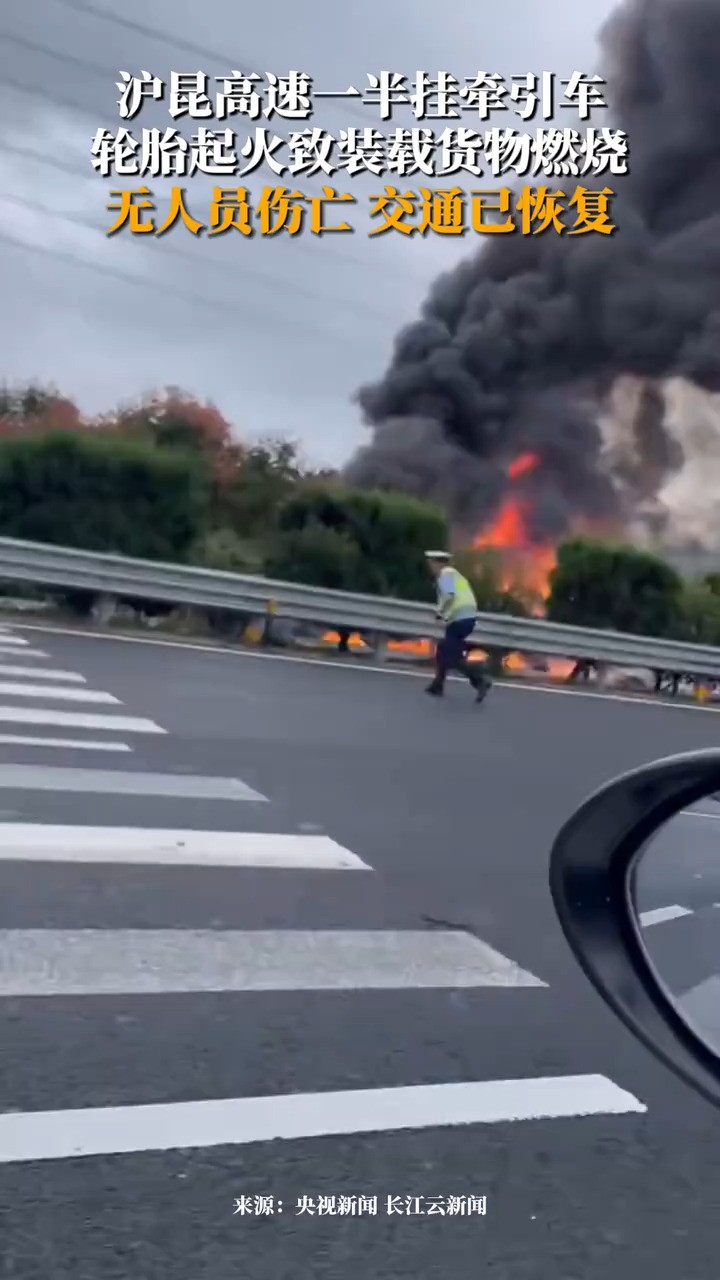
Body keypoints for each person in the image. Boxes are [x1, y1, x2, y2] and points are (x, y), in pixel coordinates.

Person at [424, 551, 492, 702]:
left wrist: (439, 612)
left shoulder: (446, 574)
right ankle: (437, 685)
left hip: (459, 619)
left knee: (452, 657)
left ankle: (480, 679)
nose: (430, 567)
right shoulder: (457, 576)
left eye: (431, 563)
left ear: (438, 563)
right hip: (467, 618)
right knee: (443, 650)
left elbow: (449, 595)